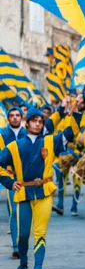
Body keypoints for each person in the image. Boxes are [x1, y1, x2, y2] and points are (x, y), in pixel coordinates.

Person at [0, 106, 75, 269]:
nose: (38, 123)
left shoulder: (50, 141)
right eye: (34, 120)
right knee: (23, 235)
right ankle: (23, 264)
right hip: (24, 193)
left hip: (44, 191)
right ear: (27, 123)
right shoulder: (14, 146)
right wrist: (10, 182)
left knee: (40, 233)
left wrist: (74, 112)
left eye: (41, 121)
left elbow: (70, 134)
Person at [52, 93, 85, 216]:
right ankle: (60, 205)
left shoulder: (83, 117)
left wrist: (81, 143)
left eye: (78, 102)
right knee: (61, 179)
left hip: (77, 152)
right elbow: (57, 131)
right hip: (63, 151)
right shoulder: (63, 116)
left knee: (77, 179)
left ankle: (74, 206)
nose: (75, 103)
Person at [0, 107, 27, 259]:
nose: (15, 118)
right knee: (14, 211)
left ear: (22, 118)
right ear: (8, 118)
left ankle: (24, 242)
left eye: (18, 115)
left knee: (27, 213)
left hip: (28, 179)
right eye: (12, 115)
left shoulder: (28, 134)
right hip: (12, 179)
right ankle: (16, 246)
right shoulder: (2, 135)